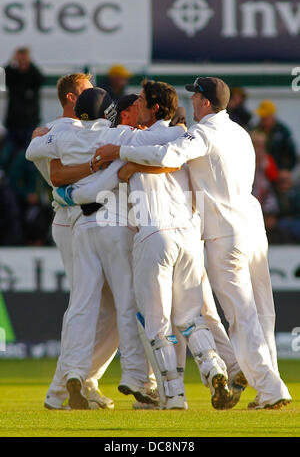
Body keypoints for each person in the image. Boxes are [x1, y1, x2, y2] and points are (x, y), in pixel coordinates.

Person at [96, 76, 292, 410]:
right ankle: (267, 383)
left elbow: (170, 155)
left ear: (204, 102)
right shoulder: (240, 132)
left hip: (223, 232)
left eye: (195, 97)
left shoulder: (204, 133)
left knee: (241, 314)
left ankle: (271, 388)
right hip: (251, 225)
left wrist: (121, 150)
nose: (191, 103)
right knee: (262, 312)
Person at [26, 74, 118, 410]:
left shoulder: (87, 128)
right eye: (86, 89)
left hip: (97, 219)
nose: (94, 93)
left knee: (114, 308)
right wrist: (97, 163)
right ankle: (62, 388)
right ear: (70, 97)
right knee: (86, 303)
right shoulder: (53, 132)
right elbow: (57, 176)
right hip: (71, 219)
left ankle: (81, 380)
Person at [4, 47, 44, 158]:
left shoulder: (33, 76)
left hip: (30, 122)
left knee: (29, 154)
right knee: (9, 154)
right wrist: (13, 61)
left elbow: (40, 78)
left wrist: (29, 63)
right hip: (13, 122)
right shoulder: (13, 75)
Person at [254, 100, 298, 171]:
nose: (262, 119)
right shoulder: (256, 129)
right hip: (259, 169)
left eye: (265, 117)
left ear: (272, 116)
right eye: (261, 117)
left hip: (279, 170)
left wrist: (286, 170)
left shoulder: (283, 131)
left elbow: (291, 154)